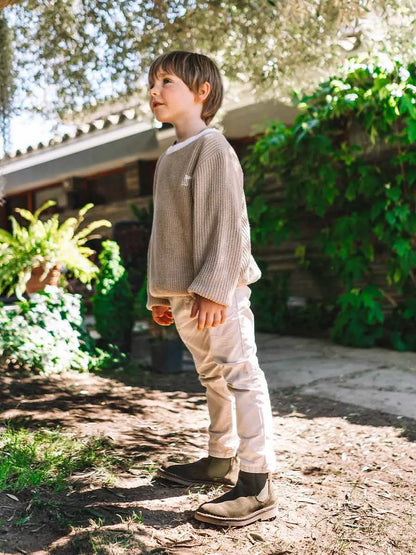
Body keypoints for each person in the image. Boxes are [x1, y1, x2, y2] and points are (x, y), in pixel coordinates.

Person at [146, 50, 276, 527]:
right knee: (211, 377)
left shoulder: (214, 148)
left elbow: (228, 225)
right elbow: (165, 231)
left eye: (167, 82)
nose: (155, 91)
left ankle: (258, 482)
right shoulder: (168, 158)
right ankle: (220, 458)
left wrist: (215, 289)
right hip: (185, 296)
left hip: (217, 292)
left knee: (240, 373)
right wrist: (160, 294)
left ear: (202, 92)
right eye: (153, 84)